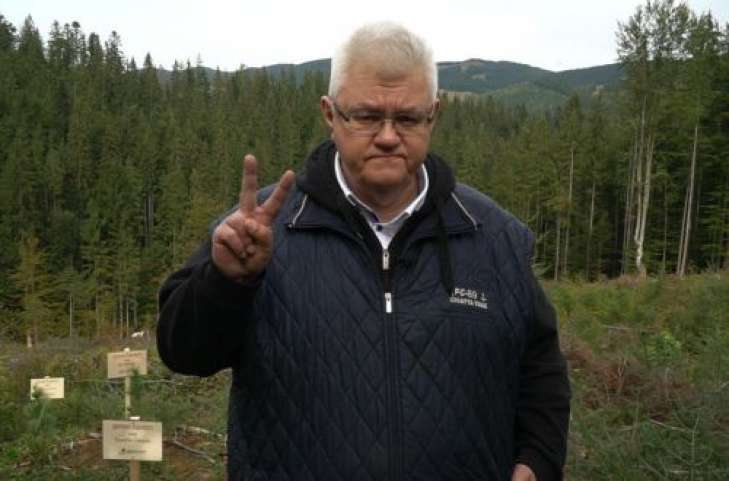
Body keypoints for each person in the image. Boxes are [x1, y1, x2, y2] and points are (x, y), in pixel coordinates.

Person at [157, 22, 570, 481]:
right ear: (330, 114)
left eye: (408, 118)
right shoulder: (259, 231)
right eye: (368, 116)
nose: (388, 136)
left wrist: (538, 459)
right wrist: (226, 284)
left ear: (433, 115)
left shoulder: (494, 237)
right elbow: (184, 353)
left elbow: (540, 367)